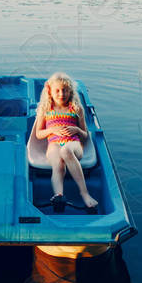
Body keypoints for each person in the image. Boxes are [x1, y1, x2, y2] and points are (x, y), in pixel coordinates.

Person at [35, 72, 98, 210]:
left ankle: (85, 193)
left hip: (73, 144)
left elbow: (85, 134)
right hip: (54, 144)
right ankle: (59, 196)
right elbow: (39, 134)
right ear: (50, 91)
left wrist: (76, 130)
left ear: (70, 91)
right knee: (58, 164)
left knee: (66, 151)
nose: (61, 94)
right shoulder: (45, 109)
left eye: (65, 90)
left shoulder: (76, 108)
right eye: (57, 90)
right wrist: (52, 130)